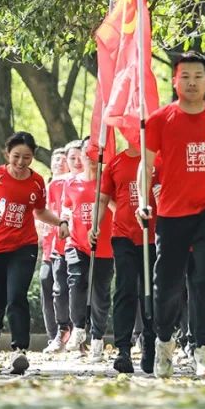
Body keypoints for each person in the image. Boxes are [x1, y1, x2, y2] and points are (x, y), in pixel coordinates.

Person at [142, 51, 205, 378]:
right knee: (167, 285)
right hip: (171, 214)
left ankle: (203, 348)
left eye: (198, 77)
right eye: (185, 76)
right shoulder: (160, 119)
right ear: (175, 81)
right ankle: (164, 343)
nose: (192, 82)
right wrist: (143, 201)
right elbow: (146, 164)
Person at [0, 131, 68, 375]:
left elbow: (40, 211)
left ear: (33, 156)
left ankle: (19, 350)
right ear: (7, 154)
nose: (21, 162)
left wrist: (61, 222)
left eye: (26, 157)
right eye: (16, 156)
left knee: (16, 296)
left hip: (23, 246)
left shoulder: (37, 182)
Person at [95, 143, 156, 374]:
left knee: (149, 292)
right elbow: (103, 199)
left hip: (152, 235)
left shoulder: (157, 160)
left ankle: (150, 343)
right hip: (123, 235)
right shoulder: (115, 163)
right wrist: (95, 226)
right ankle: (123, 349)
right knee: (125, 289)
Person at [64, 137, 114, 361]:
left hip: (104, 246)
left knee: (100, 294)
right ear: (81, 155)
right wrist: (63, 223)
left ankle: (97, 338)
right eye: (87, 153)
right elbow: (66, 208)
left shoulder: (108, 182)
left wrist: (105, 198)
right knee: (77, 282)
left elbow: (118, 208)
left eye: (96, 153)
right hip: (77, 243)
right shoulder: (71, 183)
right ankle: (78, 326)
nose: (91, 157)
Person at [41, 148, 72, 353]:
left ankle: (70, 332)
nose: (59, 163)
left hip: (66, 245)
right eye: (56, 159)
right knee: (46, 282)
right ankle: (53, 335)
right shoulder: (46, 186)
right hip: (48, 246)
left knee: (65, 289)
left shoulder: (70, 184)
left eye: (63, 160)